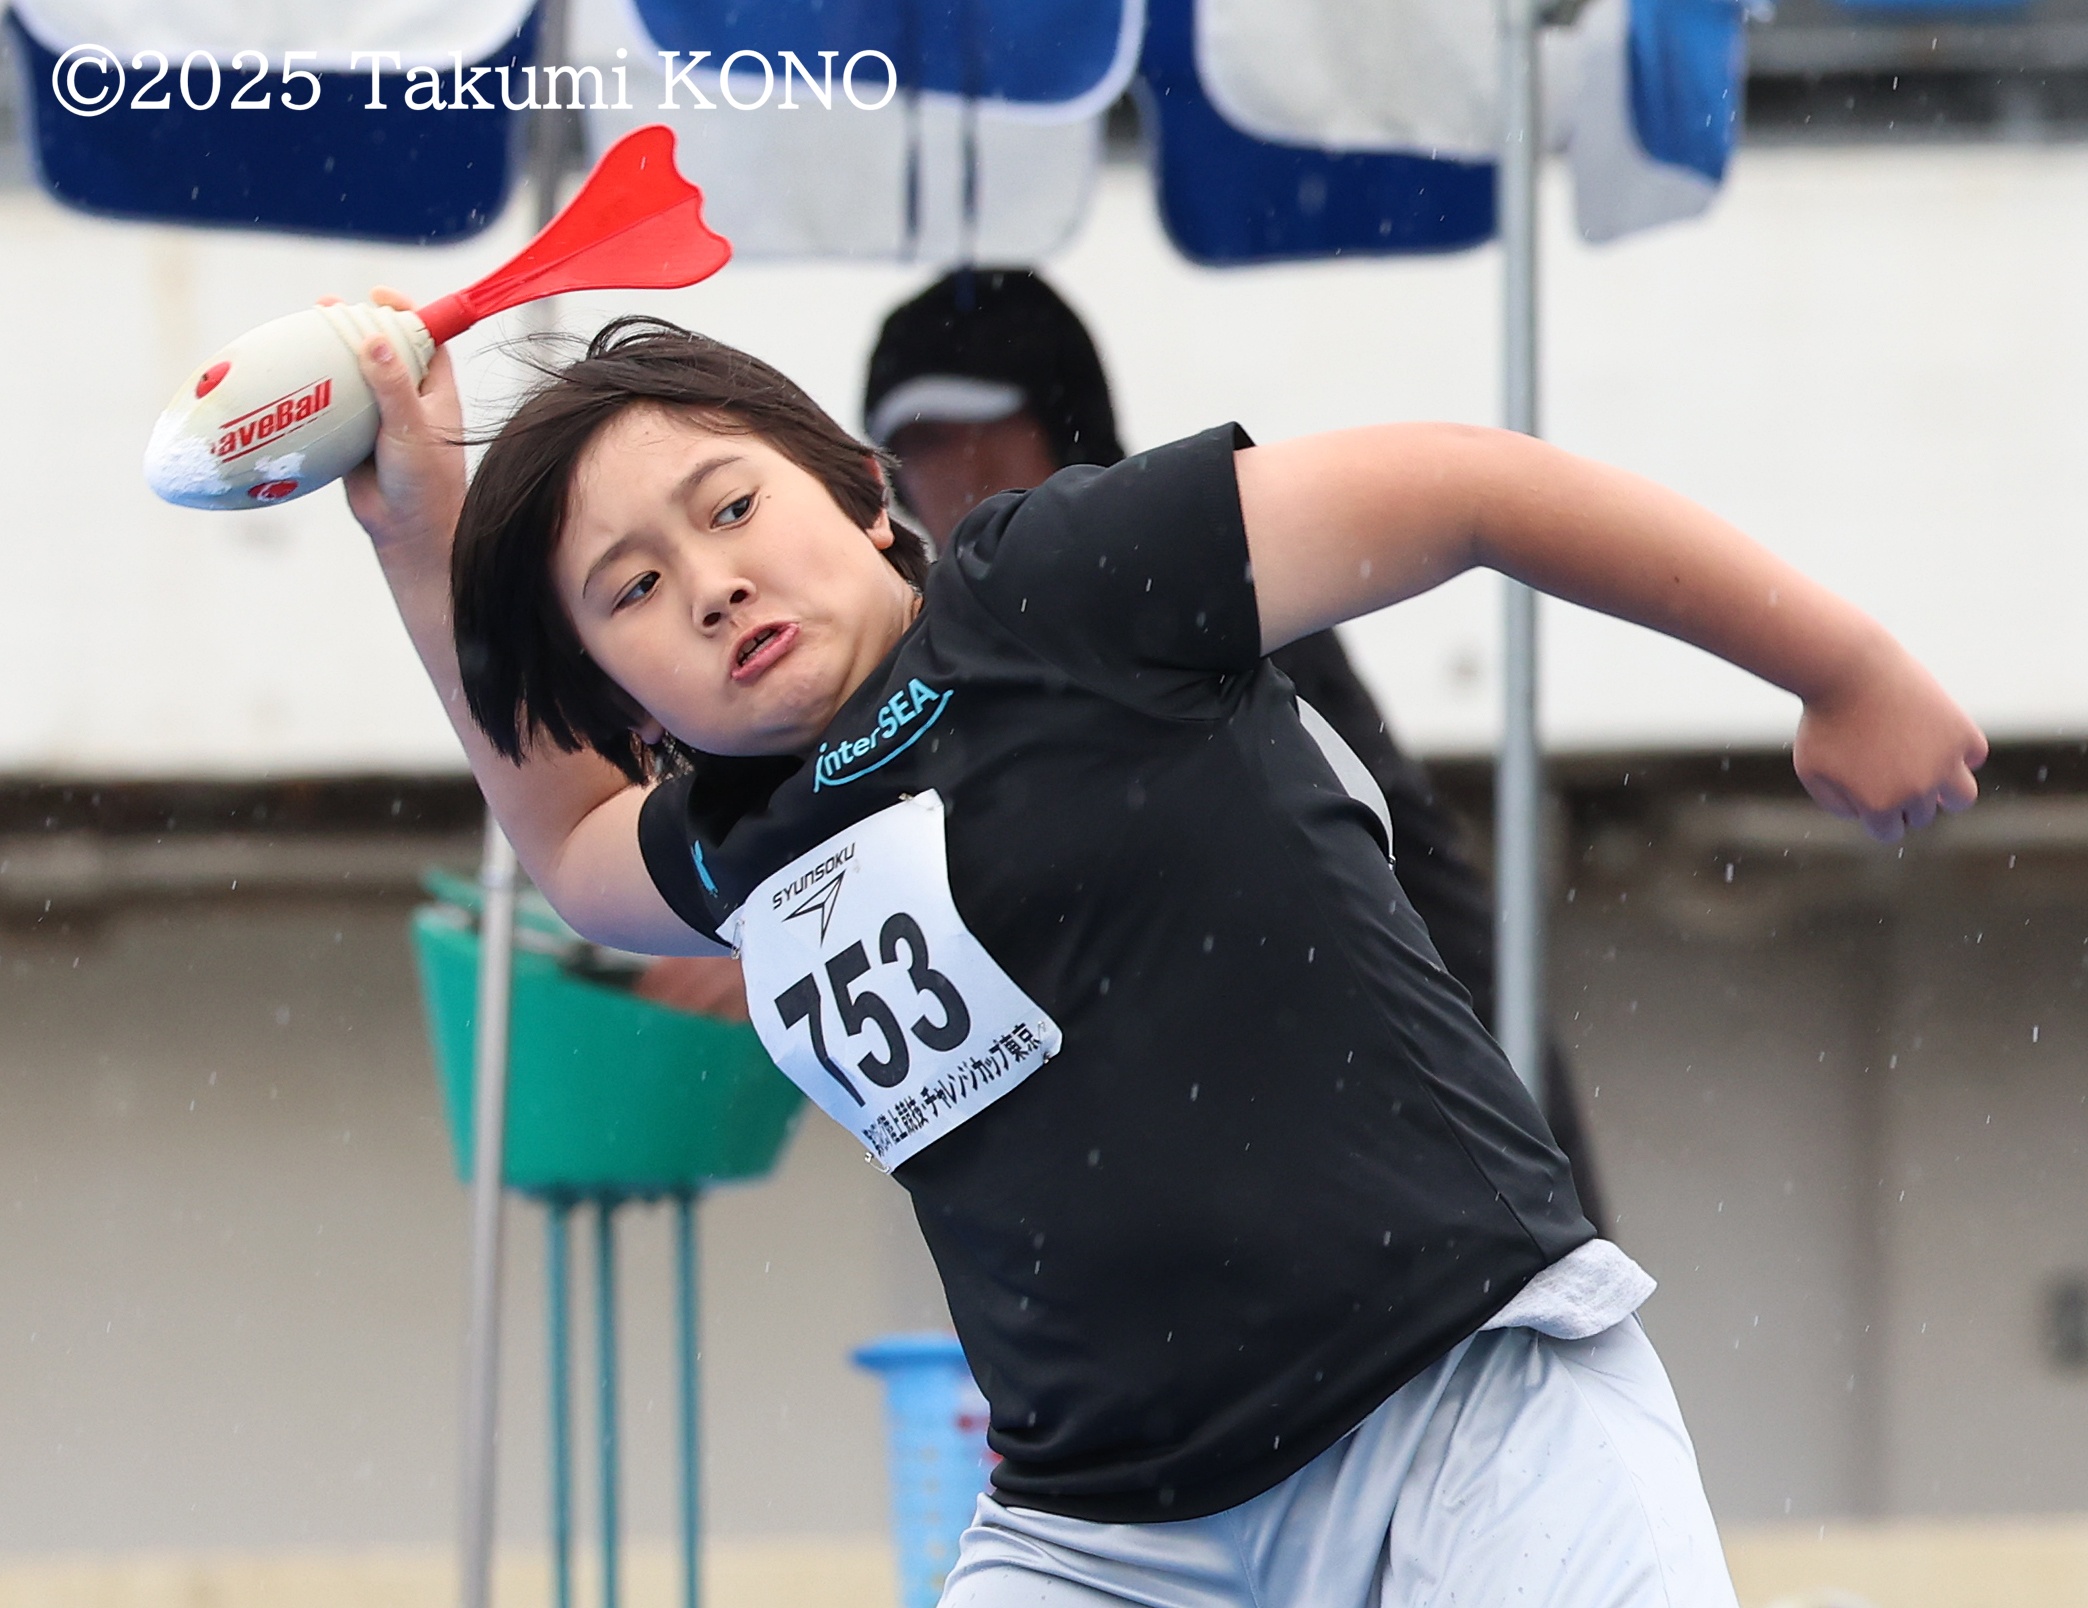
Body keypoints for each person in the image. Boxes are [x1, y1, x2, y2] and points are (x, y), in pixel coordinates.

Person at [342, 289, 1984, 1606]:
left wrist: (1840, 666)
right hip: (1099, 1533)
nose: (709, 584)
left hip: (1462, 1403)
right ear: (617, 696)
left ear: (862, 494)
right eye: (631, 590)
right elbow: (569, 842)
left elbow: (1472, 489)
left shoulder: (1058, 581)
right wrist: (418, 532)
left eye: (730, 505)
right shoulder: (733, 835)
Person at [861, 266, 1609, 1226]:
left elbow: (1470, 488)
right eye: (920, 448)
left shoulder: (1175, 577)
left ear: (1066, 421)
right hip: (1244, 1167)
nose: (953, 474)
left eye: (978, 428)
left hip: (1435, 1109)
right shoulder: (963, 661)